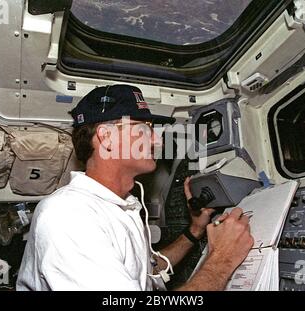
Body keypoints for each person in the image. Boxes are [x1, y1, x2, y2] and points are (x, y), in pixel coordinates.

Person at [16, 84, 254, 291]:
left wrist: (195, 230)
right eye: (144, 129)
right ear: (106, 138)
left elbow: (148, 270)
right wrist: (222, 258)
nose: (157, 140)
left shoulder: (122, 206)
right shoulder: (69, 215)